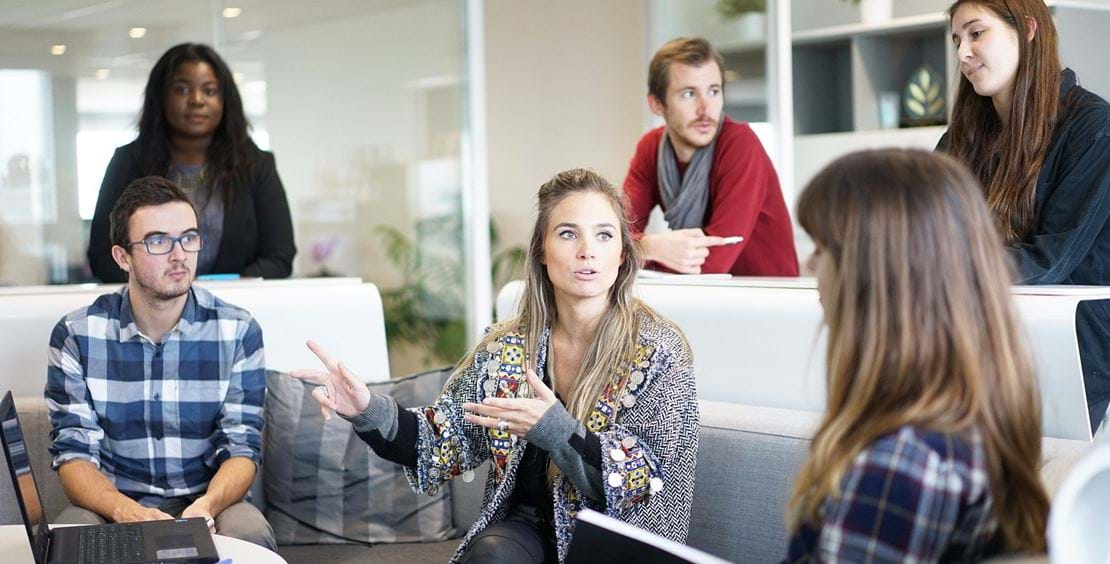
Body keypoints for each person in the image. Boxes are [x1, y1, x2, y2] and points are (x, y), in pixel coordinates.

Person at [293, 168, 699, 563]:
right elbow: (443, 439)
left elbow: (644, 482)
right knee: (492, 554)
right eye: (567, 233)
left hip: (615, 539)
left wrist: (556, 431)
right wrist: (367, 410)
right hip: (524, 533)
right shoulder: (506, 346)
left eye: (604, 235)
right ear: (542, 250)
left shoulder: (659, 349)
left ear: (622, 253)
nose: (586, 250)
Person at [786, 149, 1049, 562]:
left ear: (873, 273)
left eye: (822, 249)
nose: (808, 265)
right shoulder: (969, 421)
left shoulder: (902, 464)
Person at [47, 176, 274, 550]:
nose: (179, 254)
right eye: (157, 241)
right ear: (123, 257)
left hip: (209, 501)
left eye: (188, 237)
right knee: (69, 535)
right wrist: (126, 511)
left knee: (249, 533)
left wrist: (206, 507)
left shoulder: (238, 331)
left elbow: (242, 447)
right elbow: (73, 455)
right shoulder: (77, 335)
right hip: (113, 504)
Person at [939, 0, 1110, 432]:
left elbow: (1050, 258)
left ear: (1029, 30)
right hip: (981, 339)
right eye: (958, 39)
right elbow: (926, 230)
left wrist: (936, 271)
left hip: (1072, 351)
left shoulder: (1093, 127)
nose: (962, 52)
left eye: (977, 33)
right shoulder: (962, 138)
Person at [87, 42, 296, 283]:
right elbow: (103, 258)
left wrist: (222, 294)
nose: (197, 100)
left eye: (209, 91)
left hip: (235, 309)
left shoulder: (257, 166)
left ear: (225, 100)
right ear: (161, 96)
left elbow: (279, 257)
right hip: (151, 312)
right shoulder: (128, 163)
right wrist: (166, 290)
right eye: (182, 90)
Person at [623, 37, 798, 276]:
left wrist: (636, 250)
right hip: (703, 297)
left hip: (767, 298)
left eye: (714, 91)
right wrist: (649, 246)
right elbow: (614, 236)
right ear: (657, 105)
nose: (706, 109)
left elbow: (713, 264)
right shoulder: (651, 148)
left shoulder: (740, 144)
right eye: (688, 94)